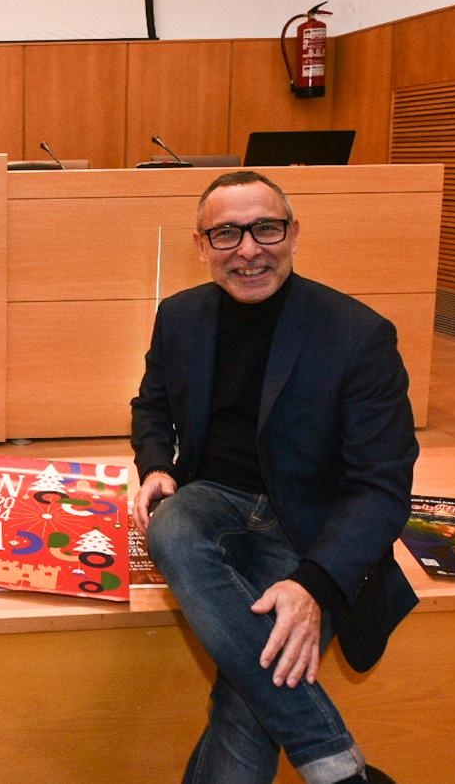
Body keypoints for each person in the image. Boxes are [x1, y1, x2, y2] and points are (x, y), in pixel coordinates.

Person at [130, 170, 417, 784]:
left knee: (246, 696)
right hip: (213, 502)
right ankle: (339, 768)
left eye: (266, 228)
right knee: (171, 525)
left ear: (293, 233)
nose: (249, 250)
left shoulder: (360, 335)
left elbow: (382, 485)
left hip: (312, 524)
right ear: (201, 245)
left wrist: (313, 584)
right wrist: (156, 464)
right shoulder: (178, 316)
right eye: (227, 234)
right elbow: (151, 405)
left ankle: (335, 767)